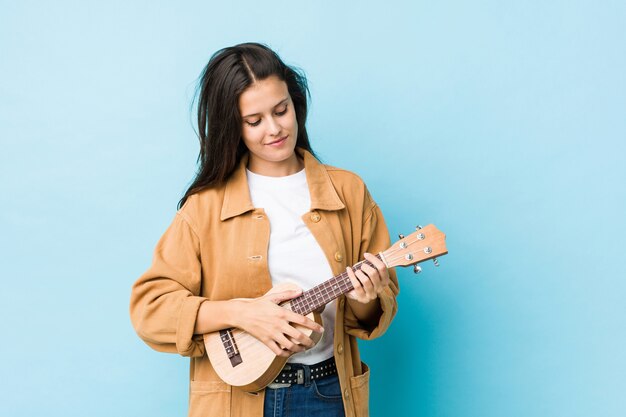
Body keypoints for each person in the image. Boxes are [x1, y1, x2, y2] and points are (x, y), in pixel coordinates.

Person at [130, 42, 399, 417]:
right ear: (232, 126)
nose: (274, 129)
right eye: (254, 121)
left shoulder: (349, 192)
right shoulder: (204, 206)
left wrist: (365, 295)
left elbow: (372, 315)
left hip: (331, 395)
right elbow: (150, 309)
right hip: (235, 402)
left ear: (295, 104)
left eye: (281, 110)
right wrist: (240, 314)